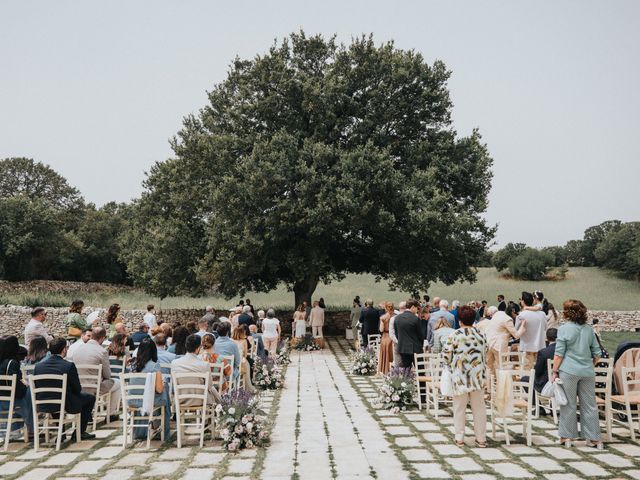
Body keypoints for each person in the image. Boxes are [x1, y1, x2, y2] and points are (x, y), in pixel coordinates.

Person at [552, 300, 603, 449]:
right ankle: (595, 439)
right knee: (590, 405)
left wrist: (554, 371)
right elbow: (597, 353)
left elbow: (559, 354)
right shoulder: (588, 329)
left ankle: (567, 437)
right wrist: (589, 365)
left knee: (568, 405)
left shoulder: (564, 329)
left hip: (569, 370)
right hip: (587, 371)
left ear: (568, 312)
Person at [443, 305, 487, 447]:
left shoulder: (455, 335)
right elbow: (486, 350)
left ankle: (459, 437)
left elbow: (446, 356)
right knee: (479, 409)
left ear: (460, 320)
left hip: (460, 376)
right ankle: (481, 439)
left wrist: (451, 365)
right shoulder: (481, 334)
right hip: (477, 376)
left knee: (459, 408)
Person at [34, 337, 96, 440]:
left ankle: (61, 433)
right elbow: (77, 389)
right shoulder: (68, 365)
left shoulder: (38, 366)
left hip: (43, 403)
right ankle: (79, 432)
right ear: (64, 350)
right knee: (90, 398)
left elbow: (37, 385)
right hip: (65, 403)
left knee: (58, 398)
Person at [72, 327, 121, 419]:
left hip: (78, 387)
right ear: (102, 338)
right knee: (118, 383)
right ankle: (110, 414)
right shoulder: (102, 351)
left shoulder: (78, 349)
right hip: (94, 388)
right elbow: (107, 375)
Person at [127, 338, 171, 441]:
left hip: (132, 401)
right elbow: (159, 390)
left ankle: (144, 430)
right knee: (164, 392)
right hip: (148, 402)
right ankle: (163, 429)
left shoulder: (133, 365)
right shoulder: (154, 366)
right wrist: (164, 384)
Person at [171, 335, 222, 405]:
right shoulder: (204, 365)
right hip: (200, 401)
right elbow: (210, 386)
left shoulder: (174, 363)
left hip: (180, 400)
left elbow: (173, 385)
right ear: (198, 348)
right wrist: (220, 400)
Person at [0, 335, 33, 438]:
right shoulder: (12, 363)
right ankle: (31, 428)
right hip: (9, 402)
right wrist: (25, 385)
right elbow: (18, 391)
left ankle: (15, 428)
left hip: (1, 401)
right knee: (30, 393)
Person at [484, 307, 526, 380]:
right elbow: (516, 335)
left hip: (488, 343)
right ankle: (501, 387)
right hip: (498, 345)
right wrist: (523, 326)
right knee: (501, 367)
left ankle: (490, 388)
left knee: (489, 367)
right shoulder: (507, 319)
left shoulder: (496, 315)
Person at [516, 292, 547, 371]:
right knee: (539, 369)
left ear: (522, 301)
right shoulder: (542, 314)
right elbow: (545, 328)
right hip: (540, 346)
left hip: (527, 346)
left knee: (527, 370)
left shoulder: (521, 315)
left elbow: (516, 331)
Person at [394, 299, 424, 368]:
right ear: (413, 307)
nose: (417, 310)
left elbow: (397, 334)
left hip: (402, 348)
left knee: (406, 371)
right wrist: (421, 346)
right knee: (420, 370)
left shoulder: (397, 318)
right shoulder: (416, 319)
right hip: (415, 348)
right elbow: (420, 335)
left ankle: (406, 379)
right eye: (417, 308)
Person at [533, 328, 557, 393]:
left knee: (524, 379)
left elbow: (537, 371)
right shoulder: (564, 351)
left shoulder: (543, 352)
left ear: (547, 338)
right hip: (559, 381)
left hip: (545, 383)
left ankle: (535, 402)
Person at [231, 327, 254, 392]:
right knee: (247, 364)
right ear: (240, 333)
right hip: (241, 360)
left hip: (232, 362)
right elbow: (246, 355)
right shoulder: (244, 341)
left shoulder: (231, 340)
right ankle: (247, 387)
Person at [377, 302, 394, 375]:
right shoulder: (395, 317)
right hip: (393, 337)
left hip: (385, 336)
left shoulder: (383, 317)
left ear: (386, 308)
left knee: (385, 354)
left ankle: (385, 370)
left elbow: (381, 329)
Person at [389, 301, 405, 367]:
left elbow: (391, 334)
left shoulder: (393, 318)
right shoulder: (411, 317)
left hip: (397, 343)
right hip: (408, 343)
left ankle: (397, 376)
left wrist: (397, 341)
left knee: (398, 363)